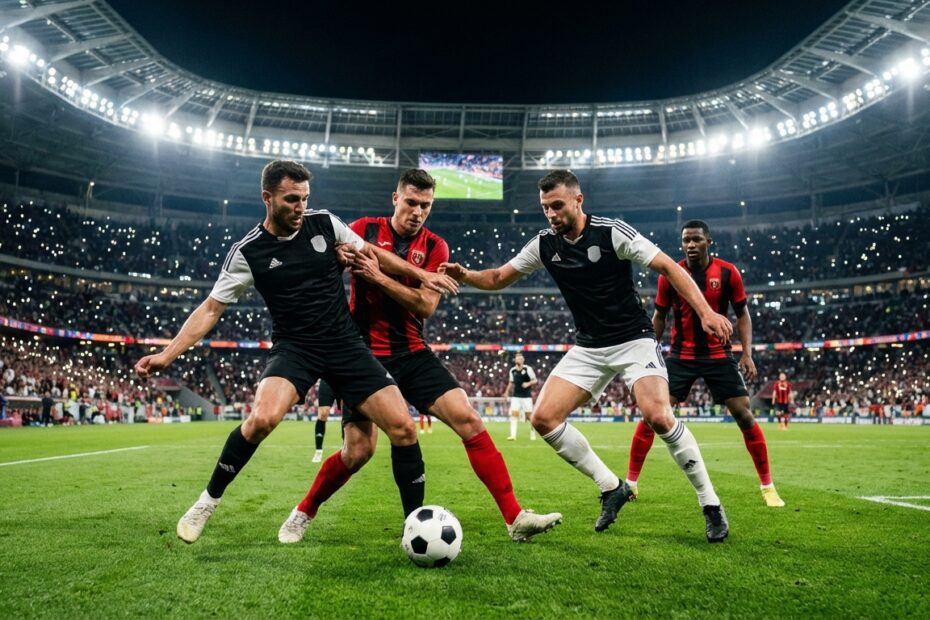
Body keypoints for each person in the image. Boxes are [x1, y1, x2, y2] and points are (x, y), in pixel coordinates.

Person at [135, 160, 459, 544]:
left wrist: (422, 275)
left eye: (305, 198)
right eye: (291, 199)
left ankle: (412, 530)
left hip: (346, 346)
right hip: (295, 348)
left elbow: (370, 251)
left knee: (404, 429)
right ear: (267, 198)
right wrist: (166, 356)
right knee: (262, 419)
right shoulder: (248, 252)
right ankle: (207, 501)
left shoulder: (324, 223)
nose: (300, 207)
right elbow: (210, 309)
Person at [442, 169, 733, 542]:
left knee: (659, 415)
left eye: (558, 206)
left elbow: (667, 266)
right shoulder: (545, 244)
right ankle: (611, 486)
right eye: (546, 207)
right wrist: (465, 274)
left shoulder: (611, 232)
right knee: (544, 418)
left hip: (633, 340)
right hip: (588, 346)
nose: (551, 214)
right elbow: (499, 277)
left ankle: (710, 504)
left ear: (579, 201)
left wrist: (707, 312)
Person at [279, 169, 562, 544]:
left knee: (469, 421)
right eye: (411, 202)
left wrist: (378, 278)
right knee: (357, 452)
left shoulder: (435, 247)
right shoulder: (363, 229)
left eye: (425, 205)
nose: (418, 211)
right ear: (395, 199)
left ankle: (515, 517)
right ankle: (304, 511)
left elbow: (425, 306)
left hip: (412, 353)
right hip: (361, 356)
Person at [624, 220, 785, 508]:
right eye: (686, 240)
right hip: (680, 356)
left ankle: (767, 486)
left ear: (709, 241)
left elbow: (742, 315)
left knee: (744, 414)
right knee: (652, 416)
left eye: (696, 239)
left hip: (719, 355)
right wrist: (648, 352)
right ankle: (631, 483)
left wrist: (746, 353)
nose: (690, 245)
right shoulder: (669, 274)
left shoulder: (727, 272)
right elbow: (659, 317)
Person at [505, 352, 538, 441]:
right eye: (517, 358)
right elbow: (511, 382)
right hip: (516, 396)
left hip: (526, 396)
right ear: (515, 360)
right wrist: (506, 392)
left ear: (523, 360)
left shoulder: (528, 369)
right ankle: (513, 435)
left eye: (520, 358)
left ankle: (532, 433)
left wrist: (528, 383)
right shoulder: (512, 370)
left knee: (529, 416)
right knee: (514, 415)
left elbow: (535, 380)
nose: (519, 360)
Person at [312, 380, 341, 463]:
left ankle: (346, 449)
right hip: (327, 379)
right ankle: (318, 451)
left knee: (347, 412)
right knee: (323, 414)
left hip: (345, 378)